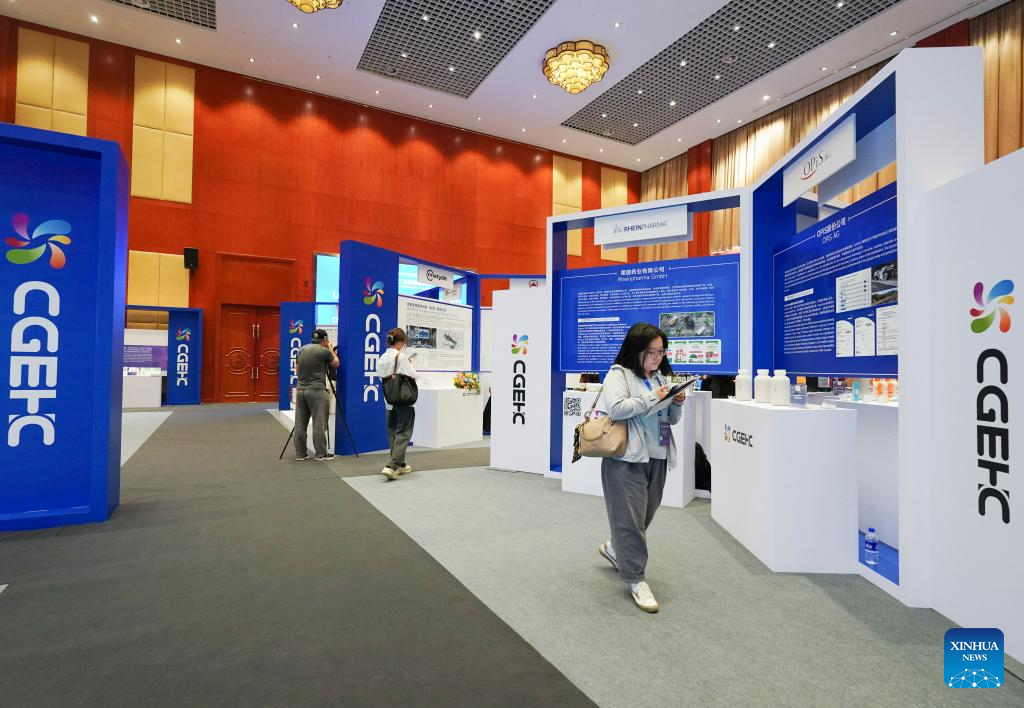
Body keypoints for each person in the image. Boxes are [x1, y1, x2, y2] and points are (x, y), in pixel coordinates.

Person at [597, 322, 686, 613]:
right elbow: (617, 408)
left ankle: (615, 548)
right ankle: (635, 579)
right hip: (627, 459)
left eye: (661, 352)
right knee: (630, 522)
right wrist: (655, 396)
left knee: (644, 516)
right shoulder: (618, 374)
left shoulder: (660, 376)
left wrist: (676, 401)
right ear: (636, 349)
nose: (657, 357)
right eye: (652, 352)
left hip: (658, 455)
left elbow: (671, 420)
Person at [375, 327, 418, 481]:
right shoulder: (401, 357)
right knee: (404, 432)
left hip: (389, 399)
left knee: (392, 430)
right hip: (403, 399)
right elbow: (413, 375)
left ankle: (401, 463)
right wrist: (411, 364)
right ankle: (392, 465)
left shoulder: (382, 357)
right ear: (401, 342)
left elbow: (380, 376)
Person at [293, 328, 339, 462]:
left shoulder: (301, 350)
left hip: (301, 390)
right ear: (325, 339)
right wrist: (331, 349)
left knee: (300, 424)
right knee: (319, 423)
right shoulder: (323, 351)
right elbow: (336, 363)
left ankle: (300, 454)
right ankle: (321, 454)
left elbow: (297, 370)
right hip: (316, 391)